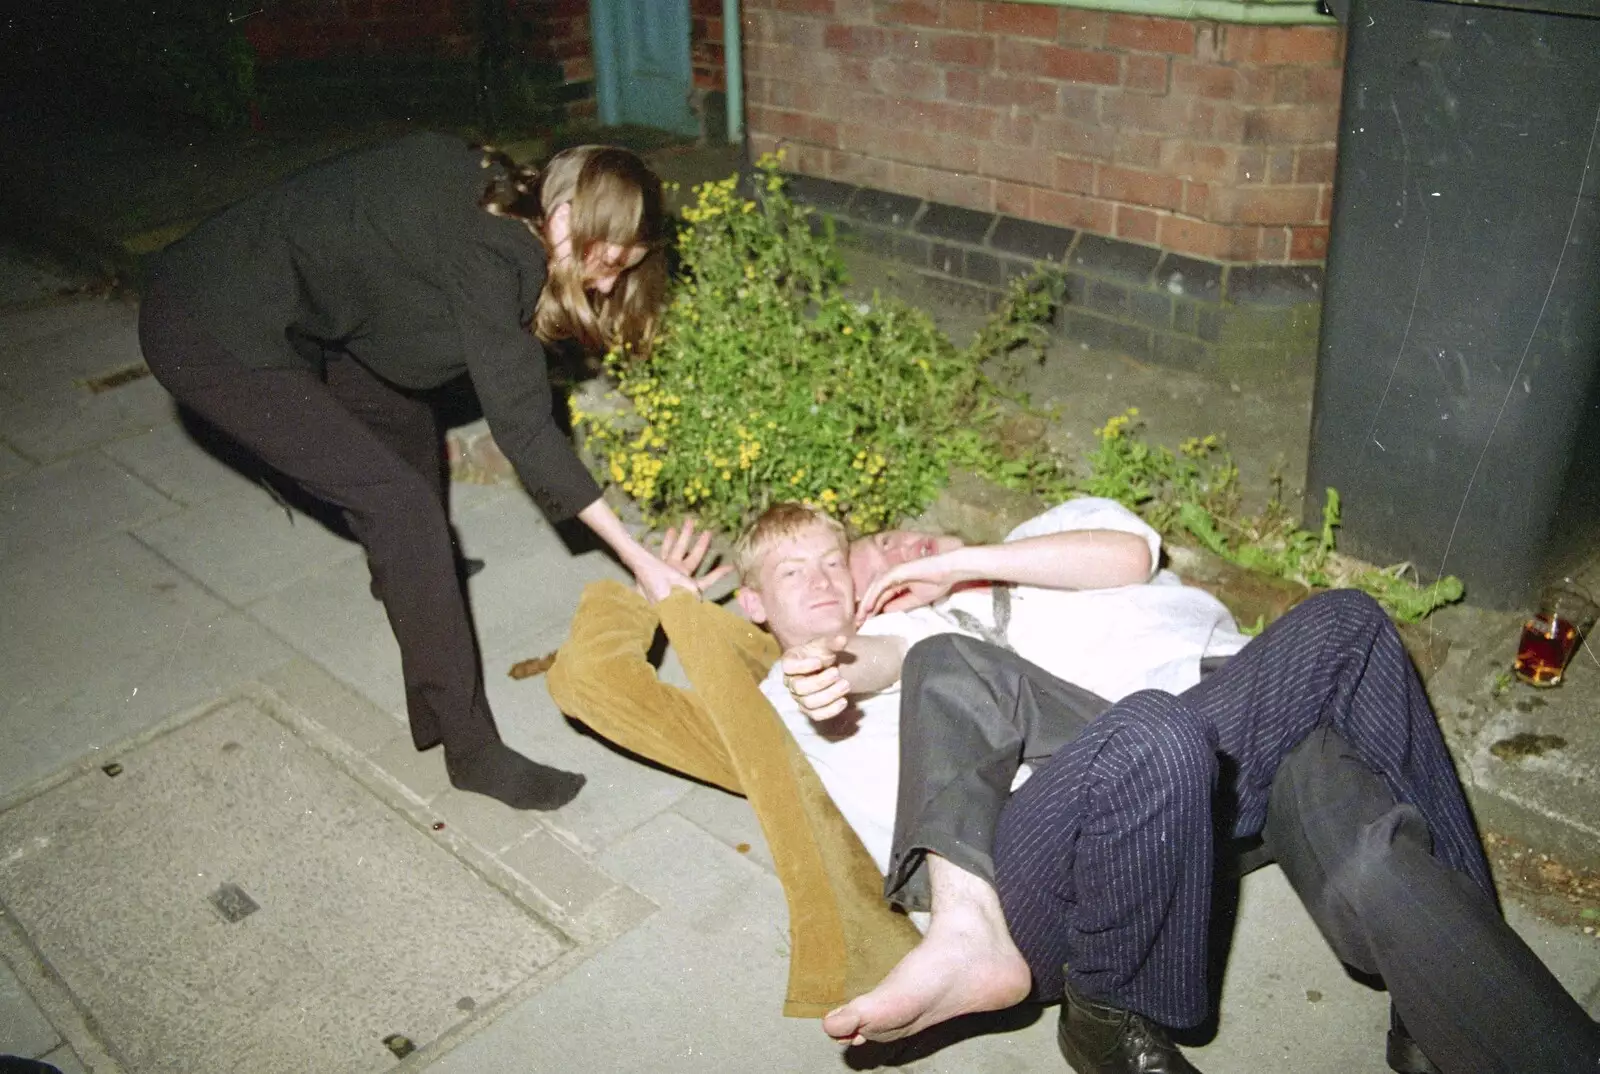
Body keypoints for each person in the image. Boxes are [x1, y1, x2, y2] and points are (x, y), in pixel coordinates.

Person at [768, 504, 1600, 1074]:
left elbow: (1128, 554)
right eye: (879, 545)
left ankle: (1446, 1017)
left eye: (914, 533)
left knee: (1382, 869)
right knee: (1061, 695)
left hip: (1223, 730)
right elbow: (866, 662)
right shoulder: (895, 636)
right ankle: (973, 936)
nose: (905, 547)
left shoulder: (1032, 547)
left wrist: (962, 565)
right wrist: (840, 655)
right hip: (1060, 824)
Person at [139, 131, 699, 811]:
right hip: (209, 326)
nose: (607, 283)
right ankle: (472, 750)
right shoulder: (494, 247)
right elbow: (522, 425)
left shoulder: (500, 190)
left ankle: (423, 650)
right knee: (402, 509)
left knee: (405, 434)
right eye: (604, 261)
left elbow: (403, 300)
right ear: (561, 219)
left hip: (291, 306)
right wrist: (637, 556)